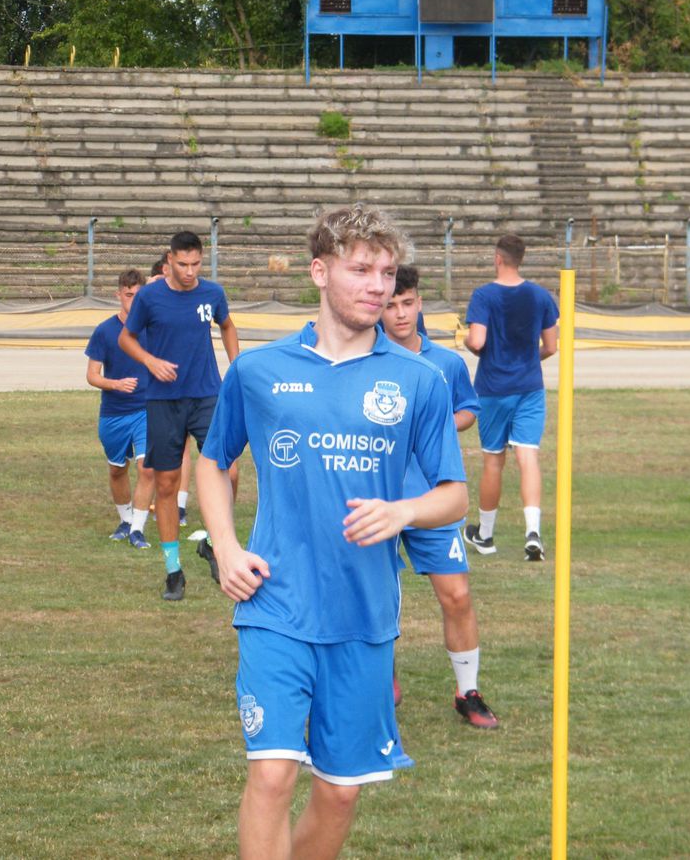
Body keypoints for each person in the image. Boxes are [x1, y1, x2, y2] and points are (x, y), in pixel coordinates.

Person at [196, 204, 467, 858]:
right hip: (275, 604)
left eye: (387, 272)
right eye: (361, 269)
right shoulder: (259, 371)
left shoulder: (418, 381)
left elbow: (453, 494)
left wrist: (403, 512)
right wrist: (227, 545)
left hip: (364, 614)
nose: (377, 285)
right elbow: (212, 461)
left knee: (341, 790)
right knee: (272, 772)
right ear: (320, 271)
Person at [380, 264, 499, 728]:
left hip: (435, 499)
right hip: (377, 500)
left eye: (407, 303)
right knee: (377, 596)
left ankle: (467, 690)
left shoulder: (446, 363)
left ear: (419, 303)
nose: (400, 313)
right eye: (391, 304)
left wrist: (436, 429)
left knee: (457, 595)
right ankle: (382, 678)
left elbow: (468, 409)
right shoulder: (367, 359)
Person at [119, 231, 239, 600]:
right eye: (183, 264)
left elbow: (227, 326)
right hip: (164, 400)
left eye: (196, 264)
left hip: (207, 395)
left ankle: (216, 545)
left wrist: (238, 369)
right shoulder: (151, 296)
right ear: (169, 260)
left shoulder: (212, 294)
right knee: (167, 483)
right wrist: (150, 361)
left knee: (228, 470)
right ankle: (174, 571)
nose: (190, 272)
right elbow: (127, 338)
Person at [462, 233, 559, 562]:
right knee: (528, 456)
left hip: (493, 388)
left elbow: (477, 341)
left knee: (493, 460)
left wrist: (465, 341)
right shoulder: (540, 296)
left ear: (497, 258)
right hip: (530, 387)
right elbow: (551, 347)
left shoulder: (484, 296)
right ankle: (533, 531)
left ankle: (485, 534)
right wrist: (529, 361)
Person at [85, 269, 155, 549]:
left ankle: (138, 529)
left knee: (146, 468)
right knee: (117, 470)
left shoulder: (153, 327)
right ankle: (125, 521)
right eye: (128, 295)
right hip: (113, 413)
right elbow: (92, 375)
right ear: (118, 295)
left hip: (146, 410)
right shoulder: (104, 331)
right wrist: (115, 384)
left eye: (139, 295)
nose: (133, 300)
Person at [150, 254, 194, 529]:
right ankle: (159, 503)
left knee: (182, 449)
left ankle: (177, 504)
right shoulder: (148, 305)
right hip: (149, 390)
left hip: (178, 391)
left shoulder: (184, 305)